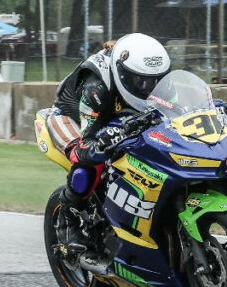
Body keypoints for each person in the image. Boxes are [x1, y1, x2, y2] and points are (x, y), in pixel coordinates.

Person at [47, 33, 171, 253]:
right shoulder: (96, 87)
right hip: (72, 117)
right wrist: (104, 141)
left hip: (118, 111)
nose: (148, 87)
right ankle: (68, 220)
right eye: (141, 81)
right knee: (89, 158)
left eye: (155, 80)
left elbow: (175, 105)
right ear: (124, 74)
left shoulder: (150, 80)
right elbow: (88, 141)